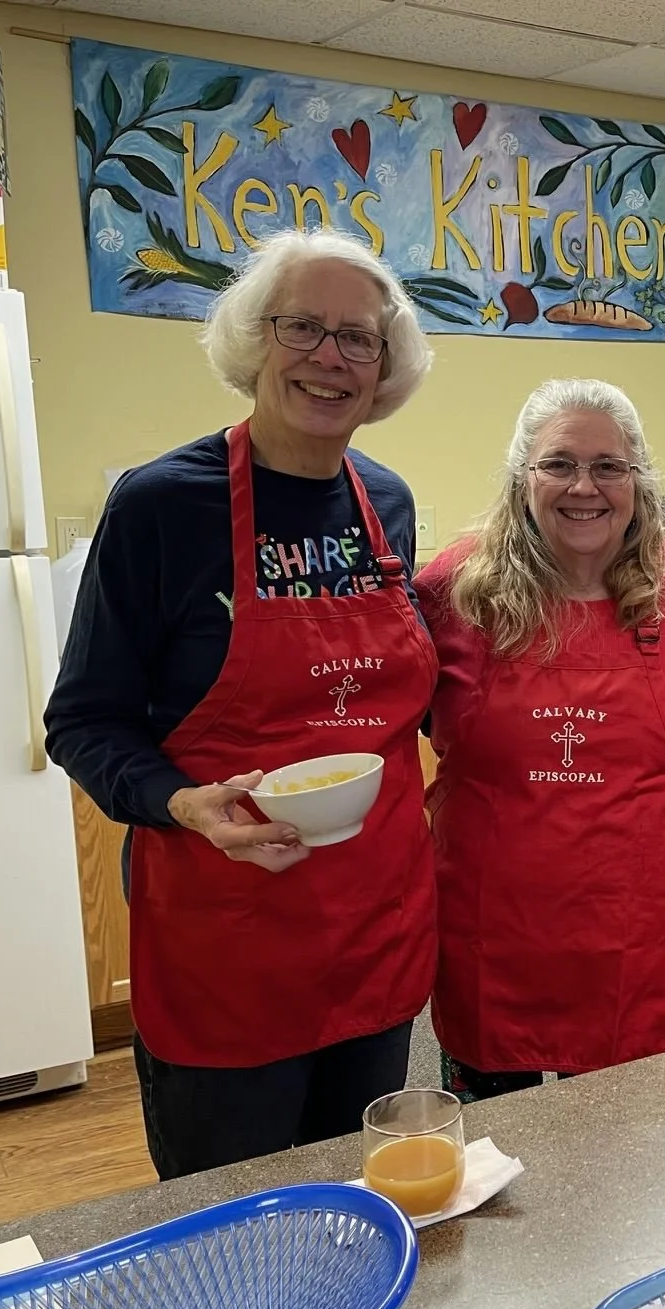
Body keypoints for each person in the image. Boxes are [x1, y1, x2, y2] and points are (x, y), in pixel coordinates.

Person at [44, 228, 437, 1179]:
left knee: (368, 1203)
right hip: (225, 940)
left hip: (370, 931)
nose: (329, 358)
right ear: (254, 342)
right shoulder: (161, 507)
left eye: (359, 338)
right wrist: (181, 802)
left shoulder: (383, 500)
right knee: (234, 1225)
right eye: (302, 326)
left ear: (385, 366)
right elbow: (84, 721)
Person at [415, 379, 665, 1102]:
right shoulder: (452, 591)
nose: (585, 487)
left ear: (638, 481)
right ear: (521, 479)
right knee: (492, 1167)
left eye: (609, 467)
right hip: (492, 942)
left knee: (628, 1160)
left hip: (639, 945)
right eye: (558, 464)